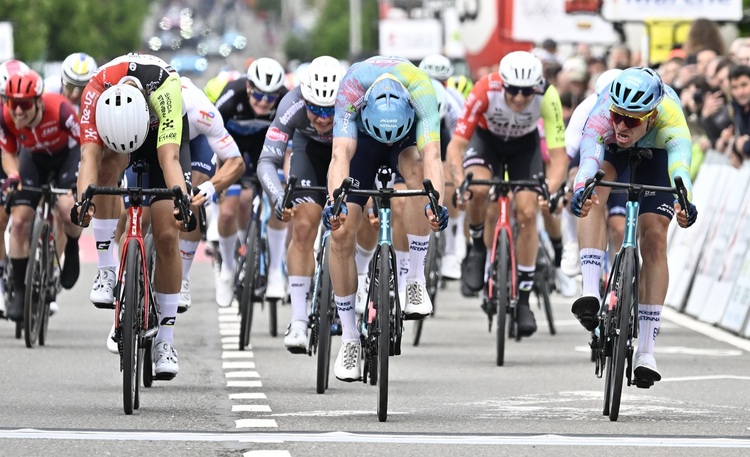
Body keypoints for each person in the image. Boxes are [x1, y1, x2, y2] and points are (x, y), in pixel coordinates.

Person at [569, 67, 698, 387]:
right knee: (594, 194)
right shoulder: (604, 114)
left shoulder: (671, 118)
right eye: (618, 116)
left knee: (655, 237)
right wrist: (580, 190)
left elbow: (680, 170)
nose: (622, 125)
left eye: (632, 119)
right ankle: (590, 292)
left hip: (657, 155)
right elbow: (589, 161)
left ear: (651, 116)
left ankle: (646, 352)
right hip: (613, 153)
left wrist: (685, 203)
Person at [326, 55, 448, 382]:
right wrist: (335, 204)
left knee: (418, 176)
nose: (387, 140)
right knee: (341, 233)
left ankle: (415, 280)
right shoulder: (352, 89)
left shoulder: (421, 89)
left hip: (407, 143)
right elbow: (340, 155)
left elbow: (433, 156)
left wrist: (435, 203)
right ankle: (349, 338)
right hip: (363, 141)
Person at [73, 53, 194, 380]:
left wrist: (181, 201)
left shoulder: (166, 89)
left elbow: (169, 159)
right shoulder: (95, 90)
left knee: (167, 233)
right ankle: (106, 270)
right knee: (105, 170)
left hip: (161, 140)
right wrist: (84, 202)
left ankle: (165, 341)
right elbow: (88, 158)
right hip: (116, 136)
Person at [446, 51, 568, 337]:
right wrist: (460, 181)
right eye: (513, 90)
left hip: (524, 148)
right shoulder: (484, 90)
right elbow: (456, 146)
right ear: (502, 84)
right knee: (477, 189)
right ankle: (477, 247)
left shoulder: (547, 95)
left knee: (528, 211)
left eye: (527, 91)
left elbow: (559, 156)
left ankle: (523, 299)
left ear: (536, 87)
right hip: (486, 141)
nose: (519, 98)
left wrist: (549, 190)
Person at [256, 55, 343, 353]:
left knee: (355, 220)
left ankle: (360, 284)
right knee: (304, 227)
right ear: (304, 99)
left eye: (330, 110)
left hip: (348, 153)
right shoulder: (290, 104)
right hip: (310, 154)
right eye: (315, 109)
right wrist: (278, 198)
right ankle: (298, 320)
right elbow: (267, 161)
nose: (323, 118)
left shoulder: (355, 104)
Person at [0, 69, 83, 321]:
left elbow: (85, 145)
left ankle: (72, 247)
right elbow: (8, 152)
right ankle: (19, 293)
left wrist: (80, 183)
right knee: (19, 222)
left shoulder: (61, 110)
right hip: (33, 159)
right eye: (13, 103)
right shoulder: (6, 117)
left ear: (38, 101)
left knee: (67, 210)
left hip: (66, 157)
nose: (18, 111)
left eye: (25, 104)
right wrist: (13, 175)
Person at [213, 57, 289, 308]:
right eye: (258, 95)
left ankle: (275, 269)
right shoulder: (232, 94)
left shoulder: (285, 100)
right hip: (232, 149)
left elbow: (292, 147)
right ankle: (228, 268)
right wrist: (218, 179)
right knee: (228, 211)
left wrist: (287, 184)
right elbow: (211, 133)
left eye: (270, 97)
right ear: (248, 87)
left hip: (266, 149)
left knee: (279, 201)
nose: (264, 102)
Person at [0, 59, 30, 318]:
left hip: (32, 159)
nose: (15, 109)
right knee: (1, 219)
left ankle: (49, 264)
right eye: (6, 99)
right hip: (6, 161)